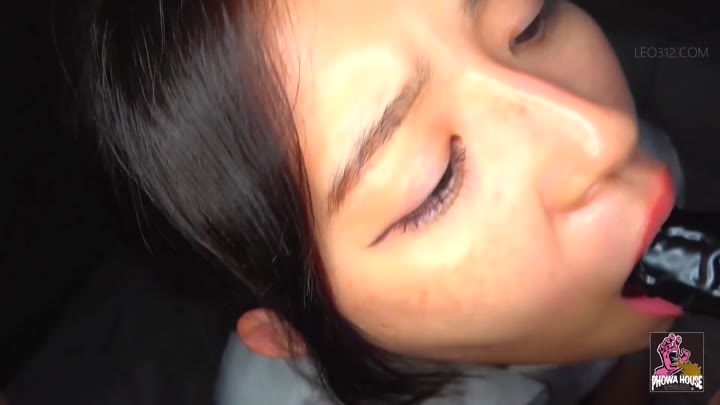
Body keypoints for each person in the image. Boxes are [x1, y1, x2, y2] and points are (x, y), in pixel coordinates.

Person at [77, 0, 685, 403]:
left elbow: (668, 332)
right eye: (435, 183)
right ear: (292, 336)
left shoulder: (638, 178)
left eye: (529, 22)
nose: (604, 135)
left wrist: (676, 383)